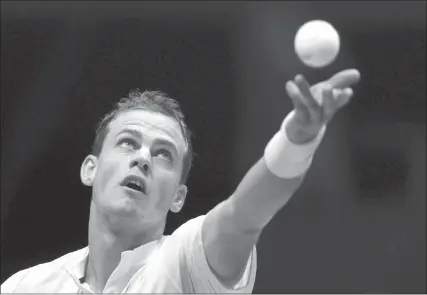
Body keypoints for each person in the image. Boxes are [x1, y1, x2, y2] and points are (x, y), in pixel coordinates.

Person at [1, 69, 360, 293]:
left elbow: (244, 216)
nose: (142, 158)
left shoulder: (187, 264)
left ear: (178, 196)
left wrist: (296, 140)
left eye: (163, 154)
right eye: (127, 142)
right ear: (90, 168)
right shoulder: (24, 287)